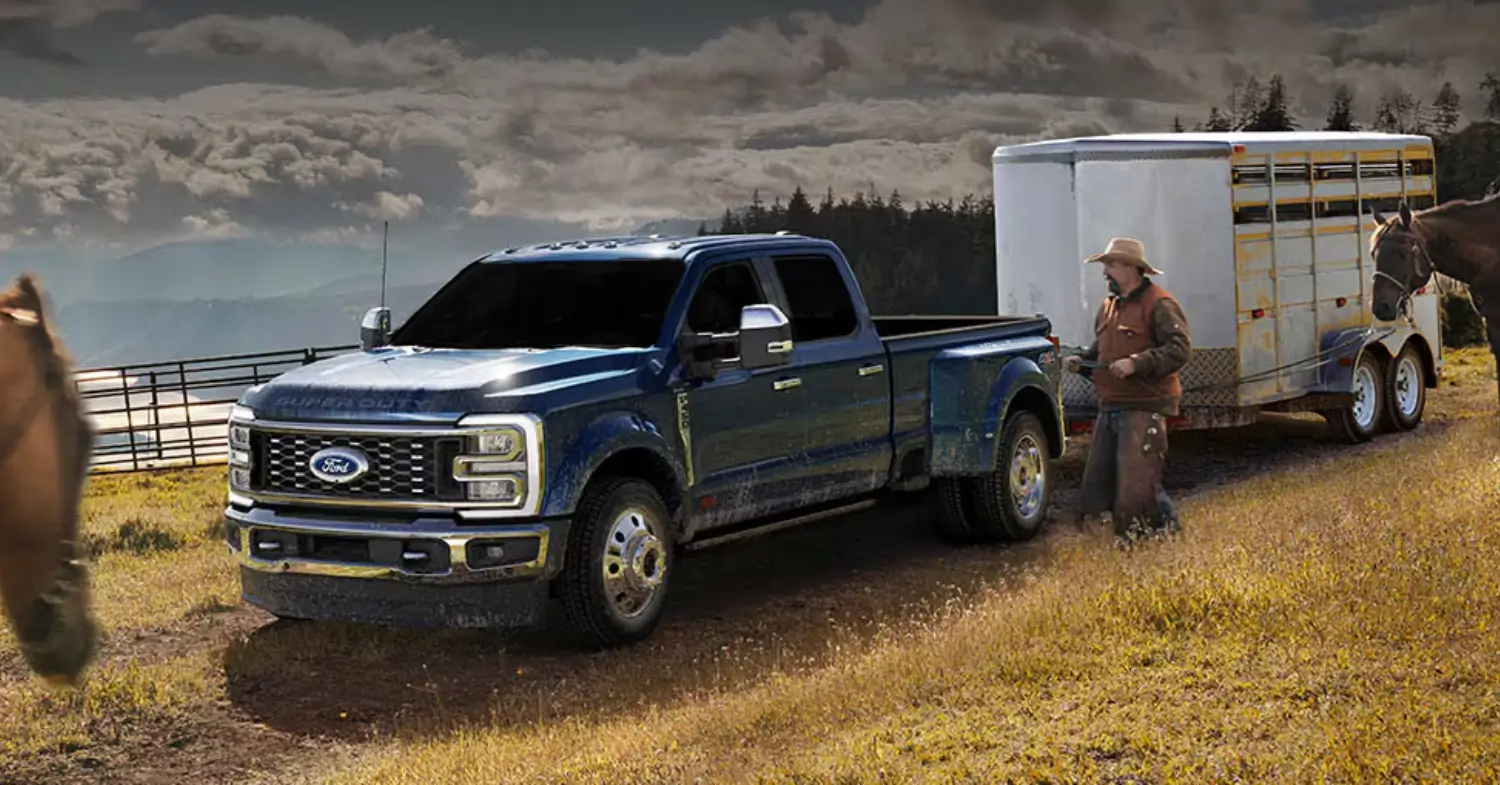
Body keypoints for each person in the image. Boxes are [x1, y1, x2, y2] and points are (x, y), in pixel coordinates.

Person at [1062, 237, 1192, 546]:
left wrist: (1137, 363)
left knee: (1136, 486)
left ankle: (1148, 545)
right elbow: (1102, 354)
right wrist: (1081, 363)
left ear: (1132, 268)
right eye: (1105, 265)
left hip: (1144, 405)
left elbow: (1180, 350)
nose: (1105, 272)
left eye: (1111, 265)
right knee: (1099, 485)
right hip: (1111, 405)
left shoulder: (1160, 304)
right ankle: (1161, 539)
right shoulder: (1108, 307)